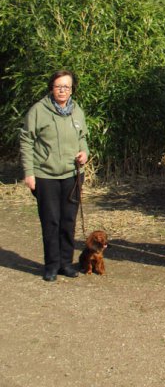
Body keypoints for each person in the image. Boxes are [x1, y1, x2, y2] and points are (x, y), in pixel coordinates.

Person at [20, 70, 89, 282]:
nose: (62, 90)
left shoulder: (77, 110)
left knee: (68, 220)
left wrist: (84, 152)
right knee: (51, 221)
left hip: (72, 174)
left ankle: (66, 263)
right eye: (59, 86)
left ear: (72, 89)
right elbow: (26, 141)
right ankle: (51, 265)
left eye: (66, 87)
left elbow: (83, 137)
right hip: (45, 175)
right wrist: (29, 173)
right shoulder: (38, 111)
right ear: (51, 87)